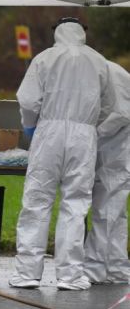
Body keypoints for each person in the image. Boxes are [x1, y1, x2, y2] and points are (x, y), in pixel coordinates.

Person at [10, 17, 114, 291]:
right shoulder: (99, 62)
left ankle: (27, 273)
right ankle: (69, 275)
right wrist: (90, 123)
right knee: (75, 204)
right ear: (83, 33)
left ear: (55, 32)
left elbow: (29, 99)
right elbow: (110, 103)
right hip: (84, 135)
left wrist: (31, 125)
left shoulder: (45, 58)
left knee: (37, 200)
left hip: (49, 133)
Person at [84, 61, 130, 284]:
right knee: (115, 209)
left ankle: (96, 267)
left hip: (119, 143)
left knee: (108, 206)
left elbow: (122, 114)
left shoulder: (109, 72)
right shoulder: (95, 69)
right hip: (111, 142)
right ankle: (116, 267)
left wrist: (93, 134)